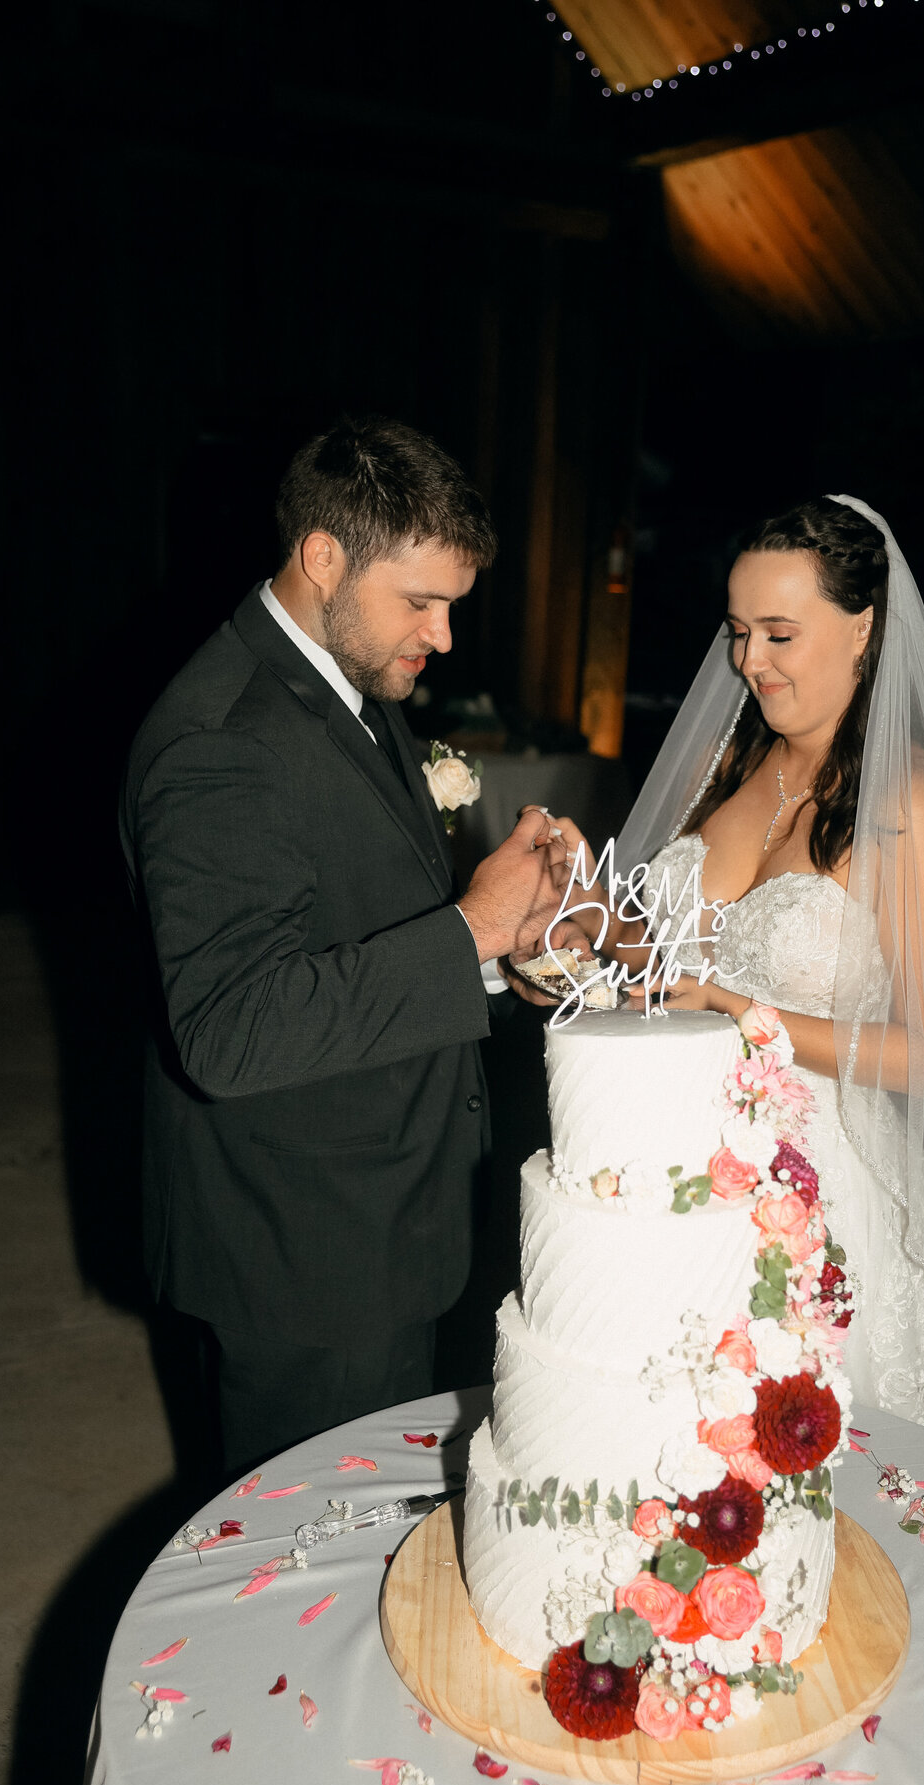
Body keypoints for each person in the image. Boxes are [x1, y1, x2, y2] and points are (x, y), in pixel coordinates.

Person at [121, 416, 571, 1477]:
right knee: (313, 1549)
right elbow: (230, 1032)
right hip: (303, 1254)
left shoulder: (340, 680)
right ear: (323, 556)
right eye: (420, 601)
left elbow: (352, 919)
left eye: (452, 605)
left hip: (380, 1217)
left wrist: (500, 950)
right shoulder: (221, 740)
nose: (443, 636)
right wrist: (469, 926)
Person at [574, 495, 924, 1467]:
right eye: (738, 633)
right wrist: (584, 916)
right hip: (667, 1150)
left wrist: (740, 1010)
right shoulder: (728, 762)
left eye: (780, 634)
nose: (751, 662)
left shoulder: (904, 804)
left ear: (862, 629)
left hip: (816, 1188)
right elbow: (673, 953)